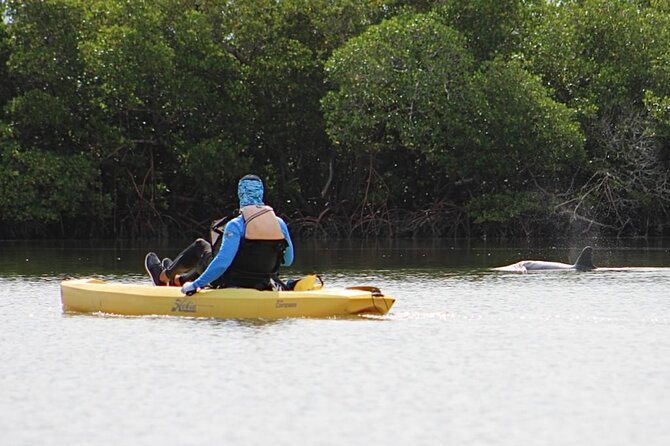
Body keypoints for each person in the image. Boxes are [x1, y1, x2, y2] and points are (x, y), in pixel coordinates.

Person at [144, 174, 294, 295]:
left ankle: (163, 277)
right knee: (209, 260)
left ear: (240, 194)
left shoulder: (236, 225)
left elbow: (222, 264)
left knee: (201, 246)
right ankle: (178, 280)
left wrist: (196, 285)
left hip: (230, 281)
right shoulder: (279, 223)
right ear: (261, 193)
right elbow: (288, 261)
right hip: (264, 282)